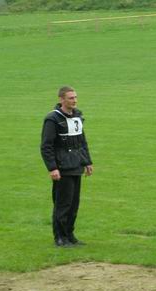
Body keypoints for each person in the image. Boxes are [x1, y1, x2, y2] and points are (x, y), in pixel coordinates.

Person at [40, 86, 93, 247]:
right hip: (62, 168)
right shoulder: (52, 119)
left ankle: (70, 235)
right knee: (63, 204)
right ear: (61, 99)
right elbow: (46, 146)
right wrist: (52, 168)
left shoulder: (77, 116)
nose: (74, 100)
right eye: (71, 98)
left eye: (75, 97)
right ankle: (60, 238)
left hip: (76, 165)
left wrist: (87, 162)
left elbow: (81, 142)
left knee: (74, 204)